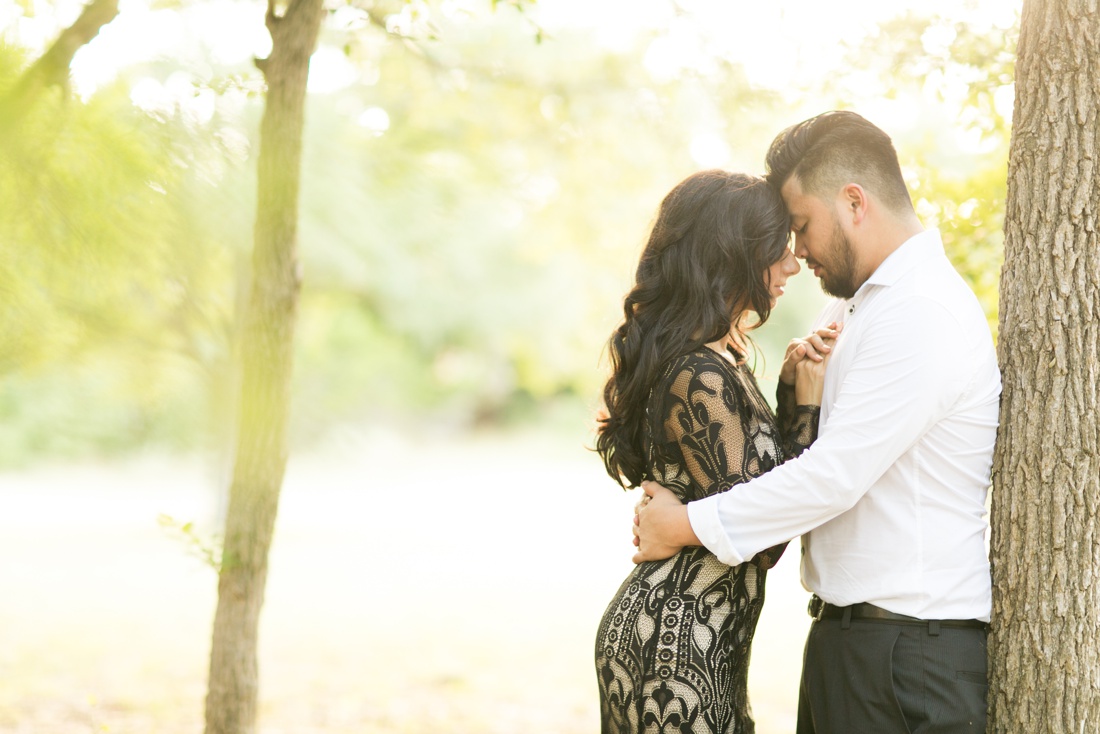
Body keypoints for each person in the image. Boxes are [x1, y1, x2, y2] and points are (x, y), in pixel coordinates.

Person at [633, 111, 1001, 734]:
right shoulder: (859, 307)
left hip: (907, 656)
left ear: (854, 202)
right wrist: (796, 391)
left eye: (802, 226)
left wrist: (683, 525)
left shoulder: (922, 311)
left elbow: (832, 478)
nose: (796, 253)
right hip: (851, 644)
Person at [594, 169, 839, 734]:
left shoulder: (709, 362)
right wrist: (805, 410)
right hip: (676, 648)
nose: (792, 265)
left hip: (683, 635)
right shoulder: (698, 373)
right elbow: (764, 534)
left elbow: (748, 486)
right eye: (776, 252)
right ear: (731, 256)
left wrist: (787, 391)